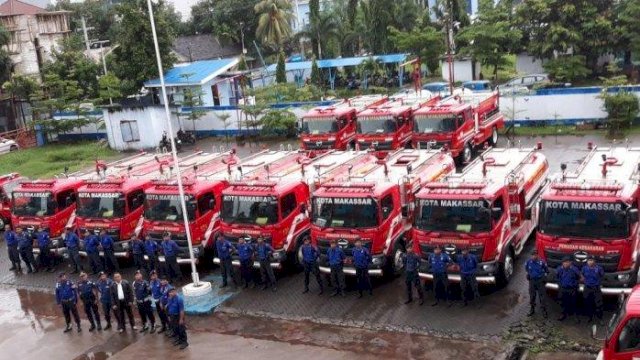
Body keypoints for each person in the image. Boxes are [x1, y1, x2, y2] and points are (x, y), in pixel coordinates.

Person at [556, 257, 582, 322]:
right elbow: (557, 277)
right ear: (562, 263)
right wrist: (560, 285)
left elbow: (580, 278)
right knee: (562, 302)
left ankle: (576, 316)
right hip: (563, 288)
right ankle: (563, 314)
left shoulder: (574, 269)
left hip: (572, 289)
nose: (566, 264)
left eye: (567, 262)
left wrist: (575, 284)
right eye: (564, 262)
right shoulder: (560, 269)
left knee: (574, 302)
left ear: (570, 263)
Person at [525, 250, 548, 317]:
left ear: (537, 255)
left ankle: (544, 310)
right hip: (532, 281)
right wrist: (529, 275)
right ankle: (532, 309)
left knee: (542, 297)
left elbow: (546, 270)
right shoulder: (528, 262)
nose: (534, 256)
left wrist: (544, 278)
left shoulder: (542, 262)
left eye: (535, 255)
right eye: (532, 255)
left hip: (540, 281)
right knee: (532, 296)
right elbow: (526, 269)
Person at [582, 256, 605, 324]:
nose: (590, 262)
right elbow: (581, 275)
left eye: (591, 260)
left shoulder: (599, 268)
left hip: (596, 288)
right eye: (589, 260)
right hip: (587, 288)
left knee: (599, 304)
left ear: (594, 261)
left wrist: (598, 282)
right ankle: (589, 317)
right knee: (588, 303)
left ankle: (600, 318)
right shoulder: (584, 268)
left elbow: (602, 276)